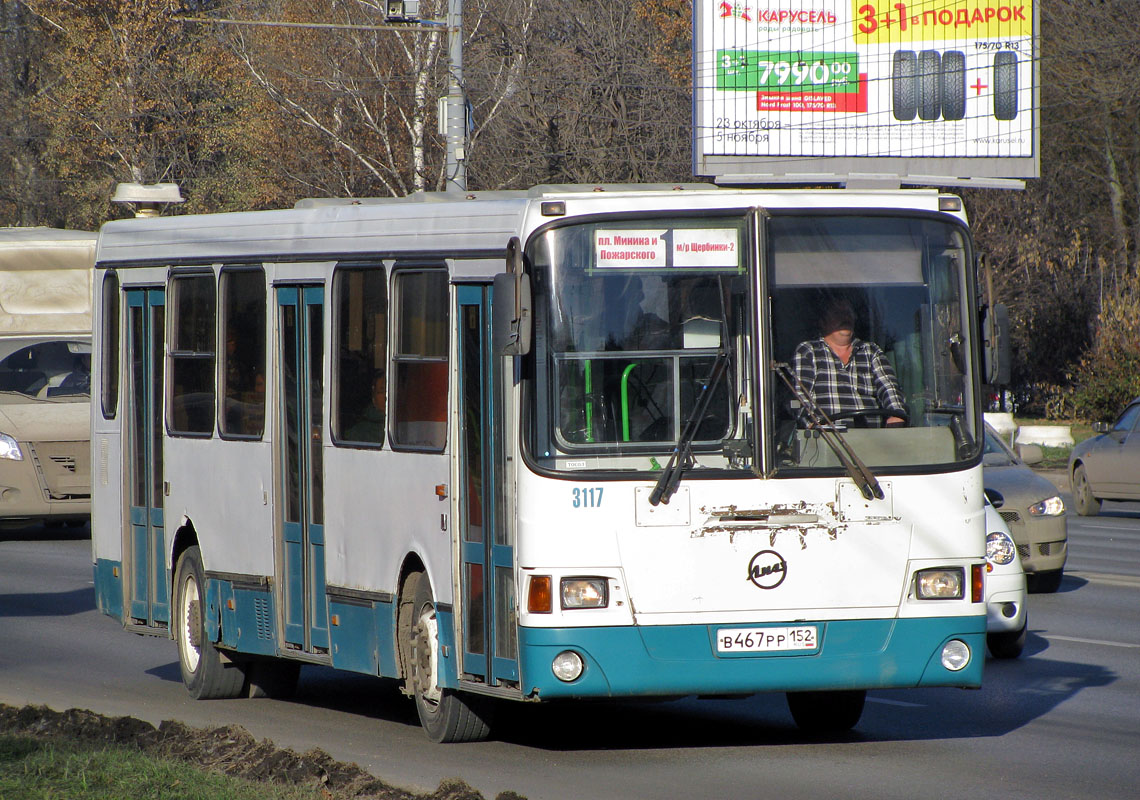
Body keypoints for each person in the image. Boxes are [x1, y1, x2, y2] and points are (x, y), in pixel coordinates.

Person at [792, 297, 907, 426]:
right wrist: (811, 424)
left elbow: (889, 387)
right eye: (838, 314)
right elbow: (800, 396)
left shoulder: (870, 351)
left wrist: (896, 414)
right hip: (828, 438)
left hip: (873, 439)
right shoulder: (809, 351)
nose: (844, 318)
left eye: (848, 313)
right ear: (823, 321)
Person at [345, 370, 386, 442]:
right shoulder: (357, 433)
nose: (386, 396)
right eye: (381, 392)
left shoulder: (404, 426)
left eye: (390, 391)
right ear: (373, 396)